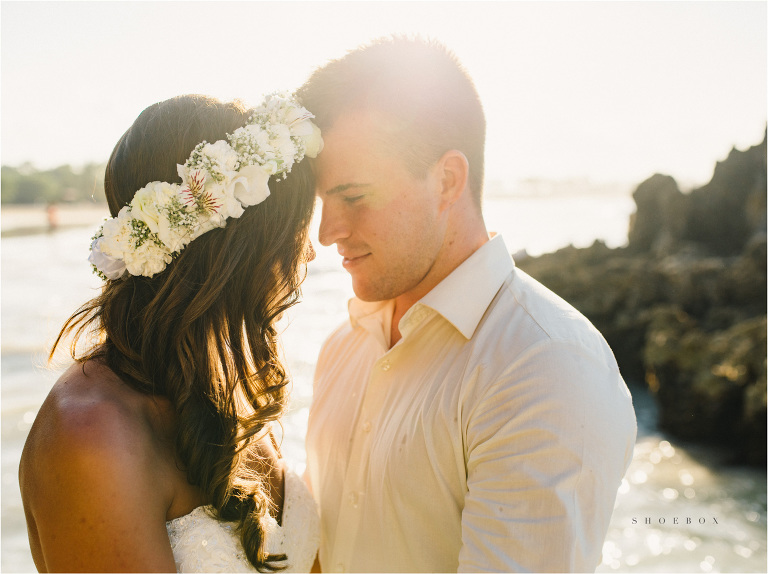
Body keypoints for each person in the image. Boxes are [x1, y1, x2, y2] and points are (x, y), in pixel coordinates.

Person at [299, 37, 637, 572]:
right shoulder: (343, 345)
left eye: (354, 196)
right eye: (323, 202)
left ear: (447, 181)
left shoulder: (545, 365)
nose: (327, 232)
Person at [19, 93, 323, 572]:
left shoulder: (222, 380)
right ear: (235, 247)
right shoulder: (92, 435)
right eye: (292, 232)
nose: (308, 253)